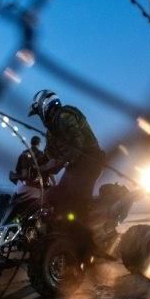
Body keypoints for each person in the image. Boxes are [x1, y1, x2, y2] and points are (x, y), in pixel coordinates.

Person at [27, 89, 105, 218]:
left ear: (44, 106)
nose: (39, 117)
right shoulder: (51, 131)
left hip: (89, 161)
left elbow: (77, 143)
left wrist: (59, 163)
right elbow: (49, 153)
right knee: (55, 194)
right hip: (76, 166)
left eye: (38, 112)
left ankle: (87, 231)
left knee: (74, 201)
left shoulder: (64, 116)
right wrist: (36, 165)